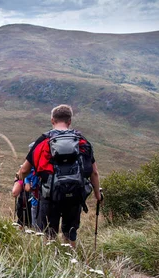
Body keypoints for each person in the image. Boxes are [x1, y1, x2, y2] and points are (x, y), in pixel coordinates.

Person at [19, 104, 102, 247]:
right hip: (75, 195)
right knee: (70, 234)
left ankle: (50, 264)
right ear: (70, 121)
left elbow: (25, 170)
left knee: (48, 234)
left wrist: (20, 178)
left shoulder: (44, 140)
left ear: (52, 120)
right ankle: (71, 261)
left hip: (49, 195)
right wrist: (97, 195)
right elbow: (94, 172)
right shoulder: (81, 140)